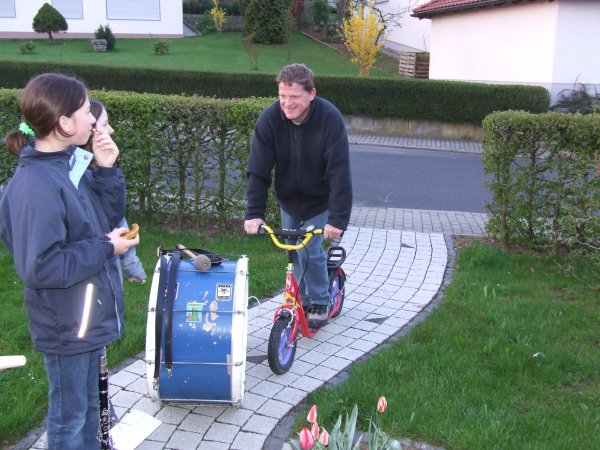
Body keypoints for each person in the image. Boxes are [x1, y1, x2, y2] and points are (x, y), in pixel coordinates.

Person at [0, 73, 139, 450]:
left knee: (91, 412)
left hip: (85, 316)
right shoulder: (38, 185)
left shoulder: (68, 165)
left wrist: (107, 170)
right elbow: (41, 266)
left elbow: (103, 219)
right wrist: (106, 248)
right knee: (70, 419)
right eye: (86, 111)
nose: (94, 120)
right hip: (66, 325)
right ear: (64, 123)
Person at [244, 63, 353, 328]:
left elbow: (339, 173)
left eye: (294, 96)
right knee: (293, 250)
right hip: (289, 200)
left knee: (310, 251)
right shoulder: (270, 119)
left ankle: (320, 300)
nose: (287, 103)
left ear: (311, 94)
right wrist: (254, 213)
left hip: (319, 200)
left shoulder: (329, 119)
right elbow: (258, 170)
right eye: (282, 96)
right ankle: (302, 298)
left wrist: (337, 220)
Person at [87, 99, 147, 283]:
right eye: (105, 124)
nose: (111, 130)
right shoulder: (82, 175)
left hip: (104, 279)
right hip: (93, 279)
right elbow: (115, 224)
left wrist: (107, 169)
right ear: (90, 130)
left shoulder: (98, 168)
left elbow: (113, 217)